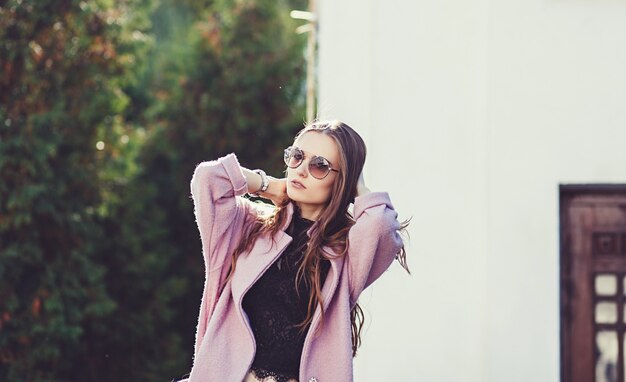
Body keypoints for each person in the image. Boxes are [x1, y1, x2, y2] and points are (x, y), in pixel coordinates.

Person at [181, 120, 409, 382]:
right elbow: (208, 179)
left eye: (319, 165)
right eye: (297, 157)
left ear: (342, 179)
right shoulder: (249, 226)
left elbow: (381, 227)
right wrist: (267, 186)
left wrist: (358, 185)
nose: (301, 170)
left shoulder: (345, 252)